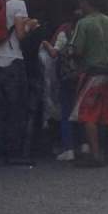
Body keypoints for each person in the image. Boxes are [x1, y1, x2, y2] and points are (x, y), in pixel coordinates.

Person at [0, 0, 39, 166]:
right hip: (12, 62)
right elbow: (21, 35)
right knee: (16, 110)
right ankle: (13, 153)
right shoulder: (19, 4)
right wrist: (31, 25)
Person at [69, 0, 108, 167]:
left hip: (93, 75)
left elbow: (77, 49)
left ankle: (95, 155)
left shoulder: (83, 23)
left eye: (82, 2)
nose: (80, 5)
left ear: (87, 3)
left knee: (88, 115)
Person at [42, 10, 81, 161]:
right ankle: (84, 144)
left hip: (67, 77)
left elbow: (54, 53)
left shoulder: (64, 32)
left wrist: (44, 43)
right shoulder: (84, 31)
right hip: (83, 76)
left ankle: (68, 148)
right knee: (82, 111)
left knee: (66, 113)